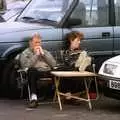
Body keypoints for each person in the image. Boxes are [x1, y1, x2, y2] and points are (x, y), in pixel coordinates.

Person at [20, 33, 57, 108]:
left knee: (61, 69)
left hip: (47, 71)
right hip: (35, 72)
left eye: (39, 42)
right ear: (30, 43)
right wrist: (36, 55)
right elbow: (25, 66)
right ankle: (34, 99)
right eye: (36, 42)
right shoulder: (25, 53)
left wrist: (43, 55)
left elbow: (53, 64)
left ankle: (67, 95)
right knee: (31, 70)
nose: (38, 44)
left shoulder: (44, 51)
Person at [61, 31, 91, 99]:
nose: (79, 42)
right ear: (71, 40)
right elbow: (68, 63)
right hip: (71, 74)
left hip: (81, 74)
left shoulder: (81, 51)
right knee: (70, 67)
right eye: (78, 40)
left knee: (88, 64)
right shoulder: (65, 52)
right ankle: (79, 65)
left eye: (80, 40)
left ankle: (81, 64)